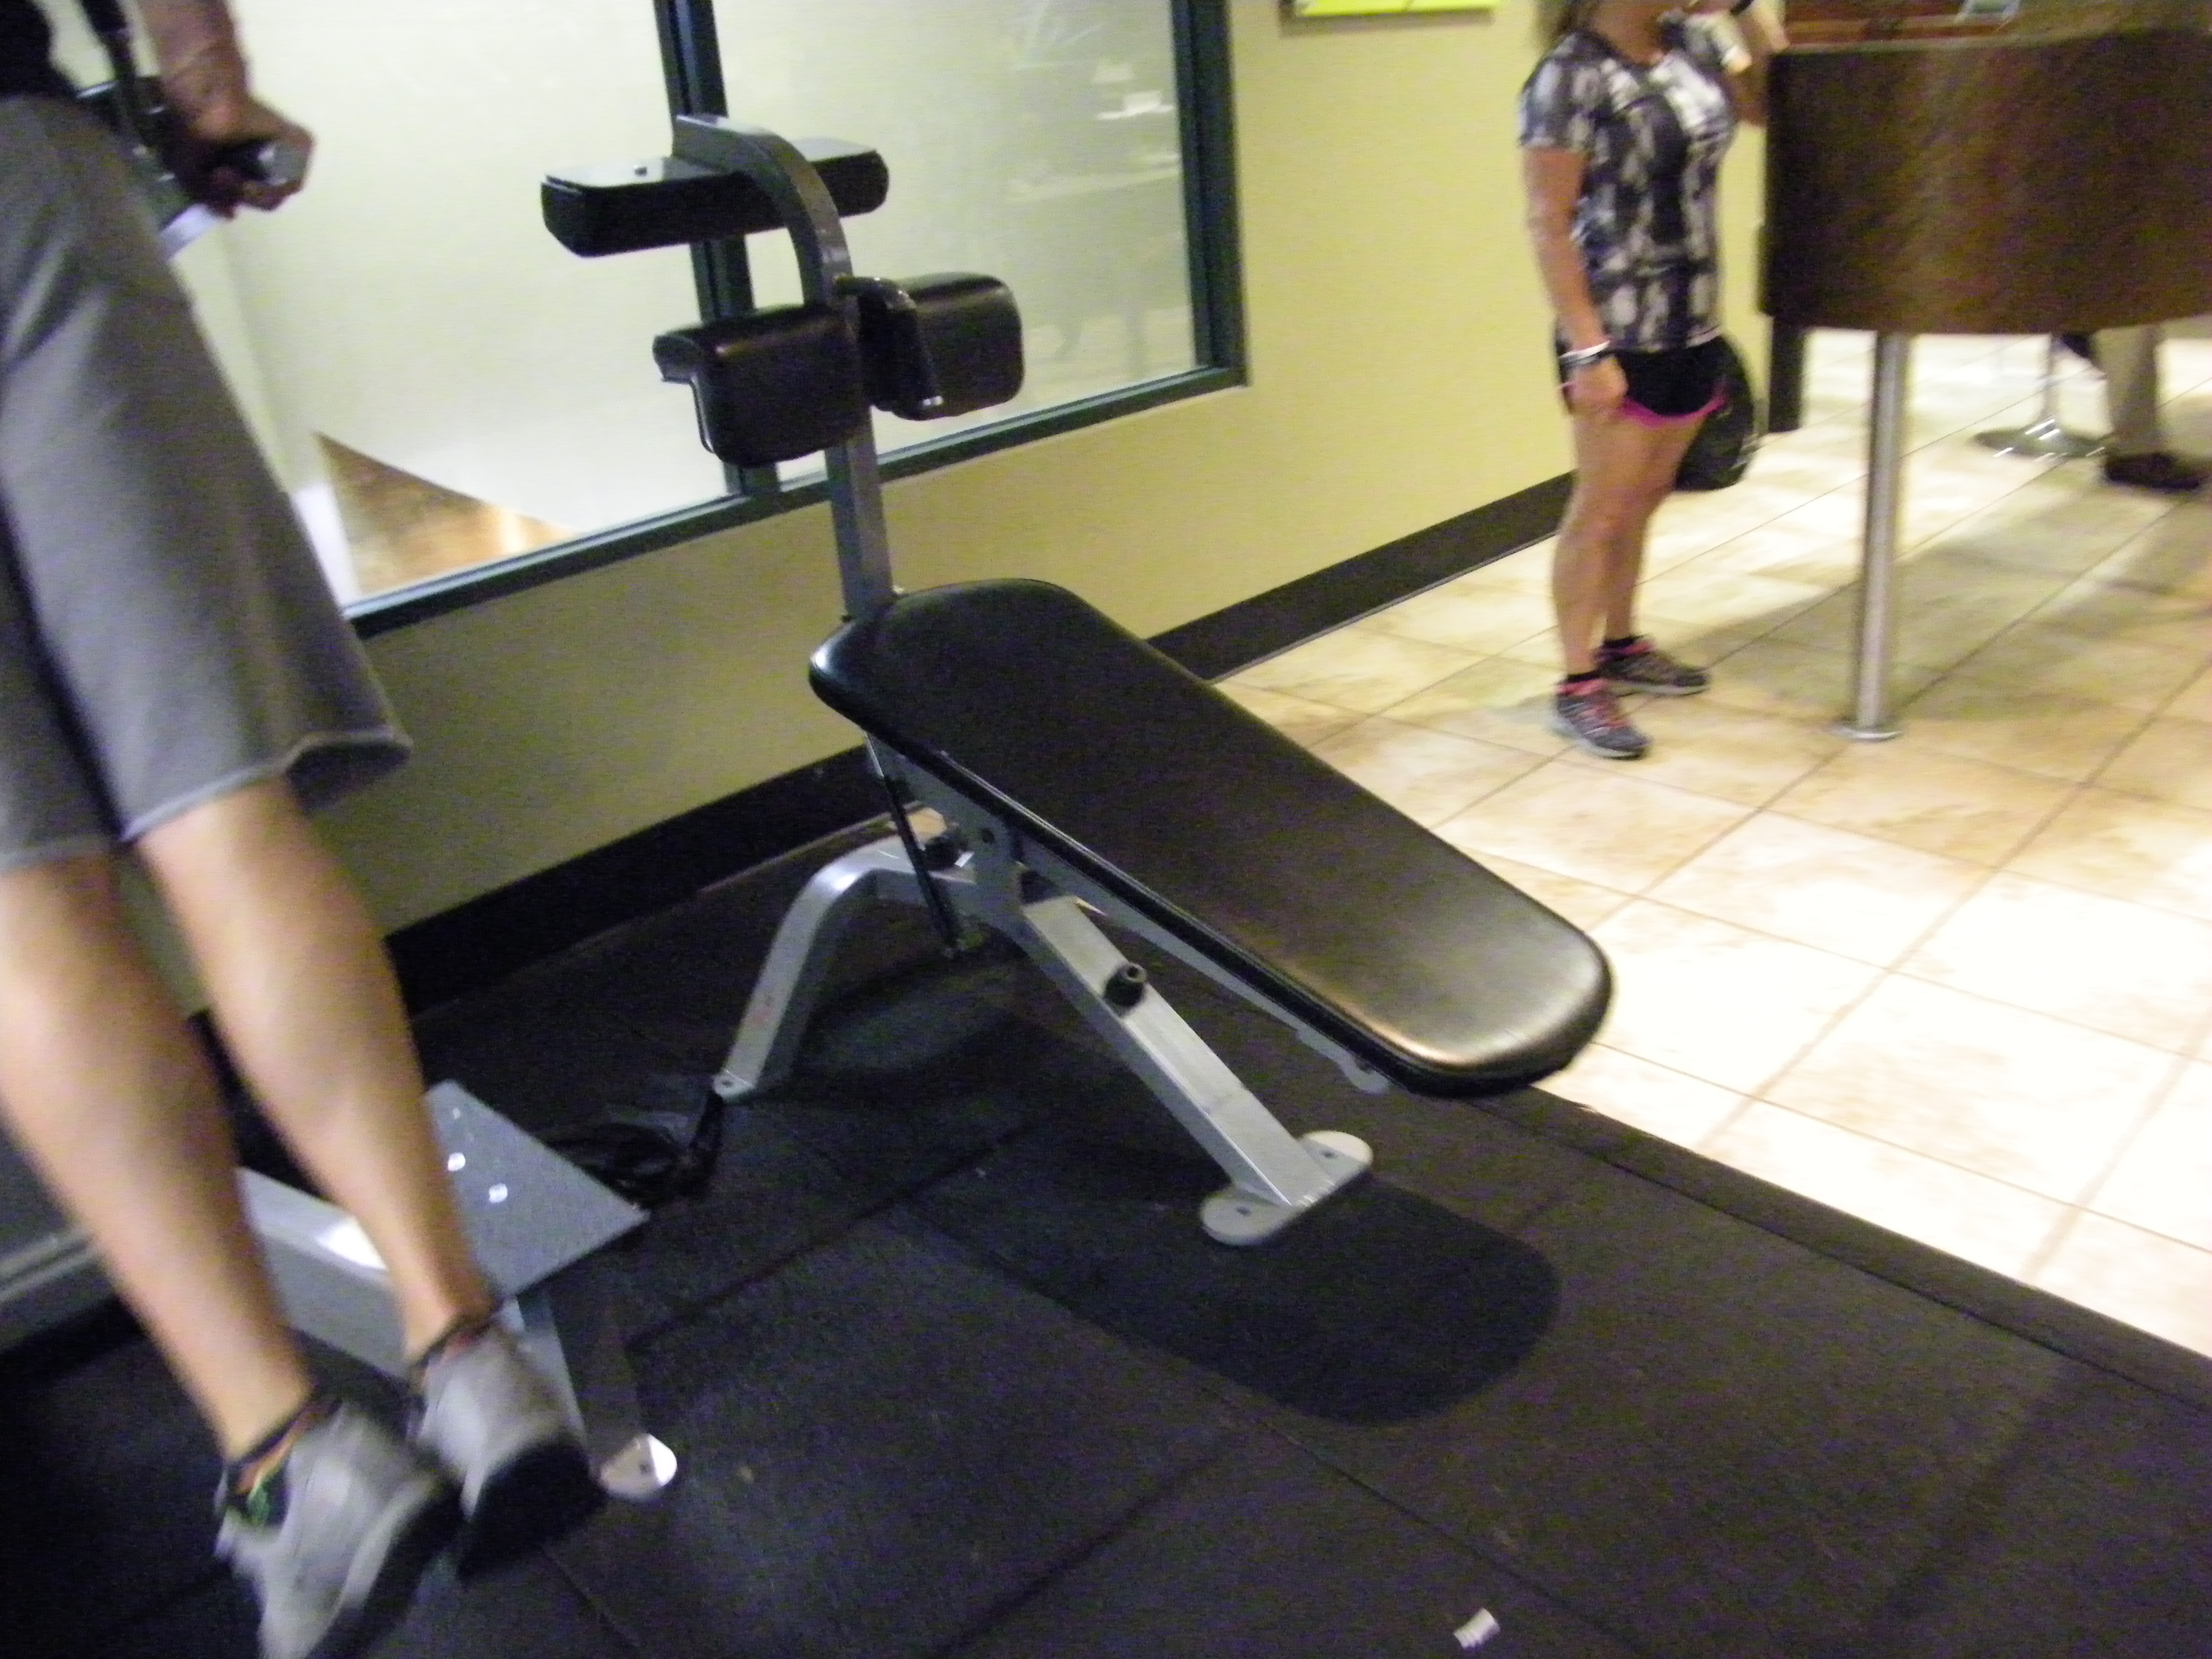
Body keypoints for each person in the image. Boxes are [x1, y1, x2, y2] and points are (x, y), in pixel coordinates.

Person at [0, 4, 602, 1656]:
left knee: (22, 903)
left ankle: (288, 1455)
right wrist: (209, 92)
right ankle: (465, 1352)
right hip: (26, 177)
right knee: (223, 817)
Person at [1518, 0, 1786, 760]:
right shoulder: (1570, 75)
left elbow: (1774, 102)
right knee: (1601, 510)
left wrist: (1746, 10)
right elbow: (1547, 220)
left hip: (1692, 318)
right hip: (1616, 329)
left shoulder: (1693, 45)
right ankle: (1578, 683)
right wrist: (1587, 349)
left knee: (1645, 498)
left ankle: (1622, 644)